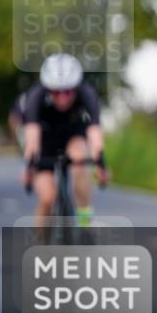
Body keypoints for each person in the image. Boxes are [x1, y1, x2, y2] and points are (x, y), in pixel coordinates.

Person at [21, 53, 108, 227]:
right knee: (47, 198)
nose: (63, 98)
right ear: (47, 88)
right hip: (44, 141)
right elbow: (31, 137)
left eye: (68, 92)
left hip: (73, 135)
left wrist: (100, 164)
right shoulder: (35, 97)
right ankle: (41, 245)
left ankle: (84, 222)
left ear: (75, 87)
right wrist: (29, 168)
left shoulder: (87, 93)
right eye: (56, 92)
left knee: (79, 157)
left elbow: (94, 131)